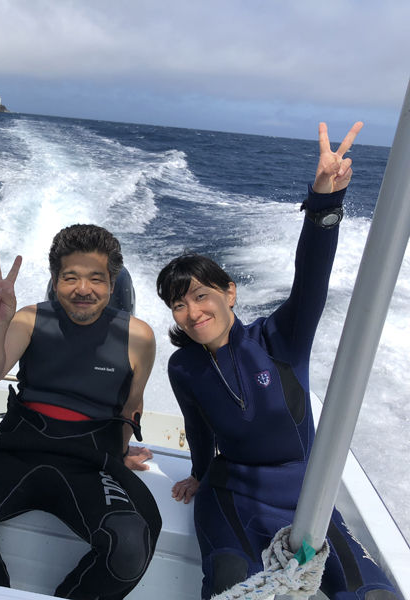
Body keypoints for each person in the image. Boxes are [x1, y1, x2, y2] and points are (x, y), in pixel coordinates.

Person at [156, 122, 398, 599]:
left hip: (307, 501)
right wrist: (199, 474)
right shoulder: (184, 367)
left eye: (201, 296)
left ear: (230, 293)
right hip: (230, 497)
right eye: (178, 304)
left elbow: (311, 279)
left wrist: (325, 203)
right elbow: (199, 430)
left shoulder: (279, 337)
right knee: (228, 581)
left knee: (372, 595)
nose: (192, 312)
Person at [0, 224, 162, 600]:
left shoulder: (138, 336)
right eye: (70, 277)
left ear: (112, 283)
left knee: (128, 545)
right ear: (55, 280)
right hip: (20, 448)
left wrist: (121, 453)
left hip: (89, 462)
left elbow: (130, 405)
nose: (83, 289)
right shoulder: (29, 319)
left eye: (96, 278)